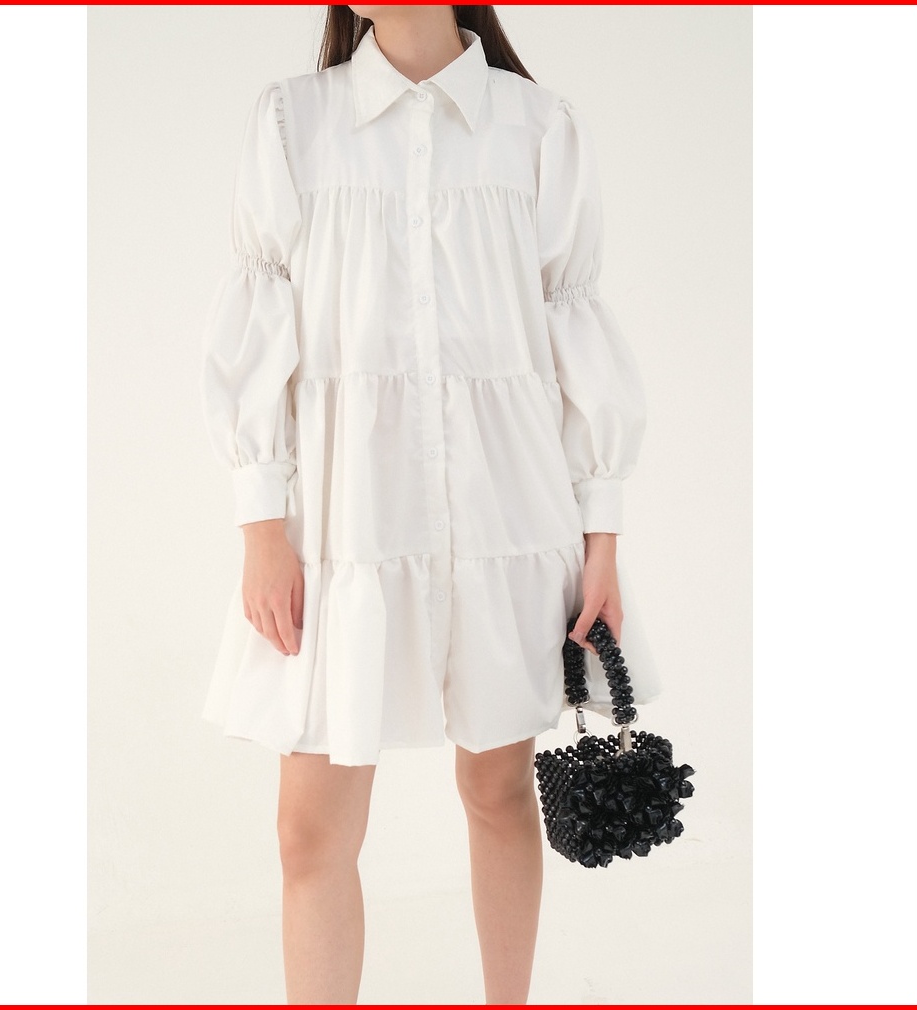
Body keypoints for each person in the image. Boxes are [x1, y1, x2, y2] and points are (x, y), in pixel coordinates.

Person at [199, 5, 647, 1004]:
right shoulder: (293, 121)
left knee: (497, 788)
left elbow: (573, 326)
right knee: (309, 826)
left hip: (506, 515)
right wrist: (260, 523)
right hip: (344, 521)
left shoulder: (537, 126)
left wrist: (603, 535)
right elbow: (258, 318)